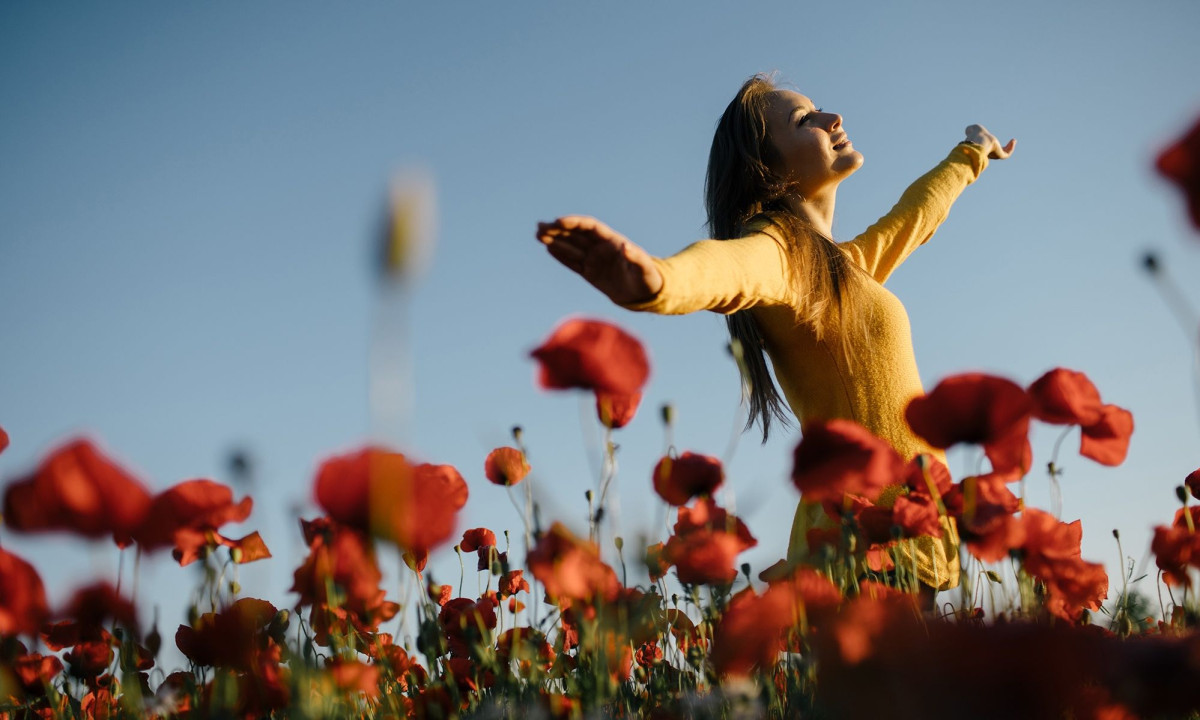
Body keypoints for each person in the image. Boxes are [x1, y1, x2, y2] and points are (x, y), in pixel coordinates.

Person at [535, 74, 1015, 596]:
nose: (831, 119)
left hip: (896, 525)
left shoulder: (842, 268)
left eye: (819, 109)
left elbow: (915, 215)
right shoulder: (782, 251)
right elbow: (728, 268)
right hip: (861, 539)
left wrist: (972, 152)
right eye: (802, 120)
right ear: (769, 169)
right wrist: (656, 280)